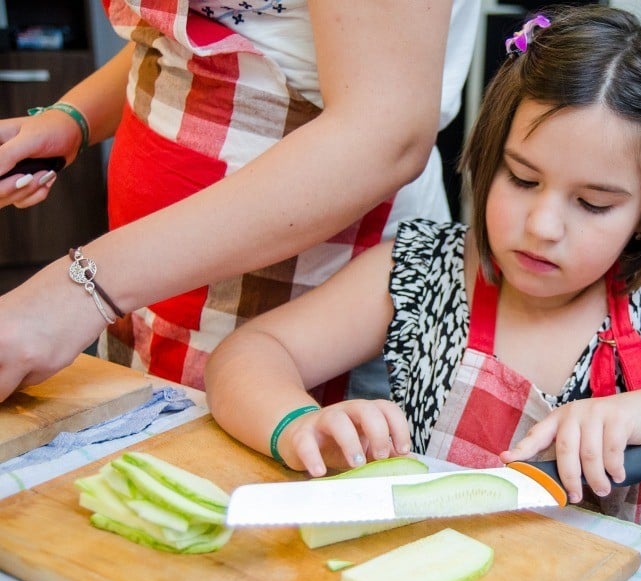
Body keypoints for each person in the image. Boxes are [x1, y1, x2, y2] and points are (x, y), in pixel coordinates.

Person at [204, 5, 641, 540]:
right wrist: (297, 425)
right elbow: (249, 352)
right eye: (521, 177)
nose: (542, 225)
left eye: (593, 204)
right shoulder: (425, 268)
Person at [0, 0, 480, 402]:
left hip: (310, 285)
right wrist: (72, 118)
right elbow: (205, 31)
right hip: (149, 276)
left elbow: (385, 136)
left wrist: (79, 289)